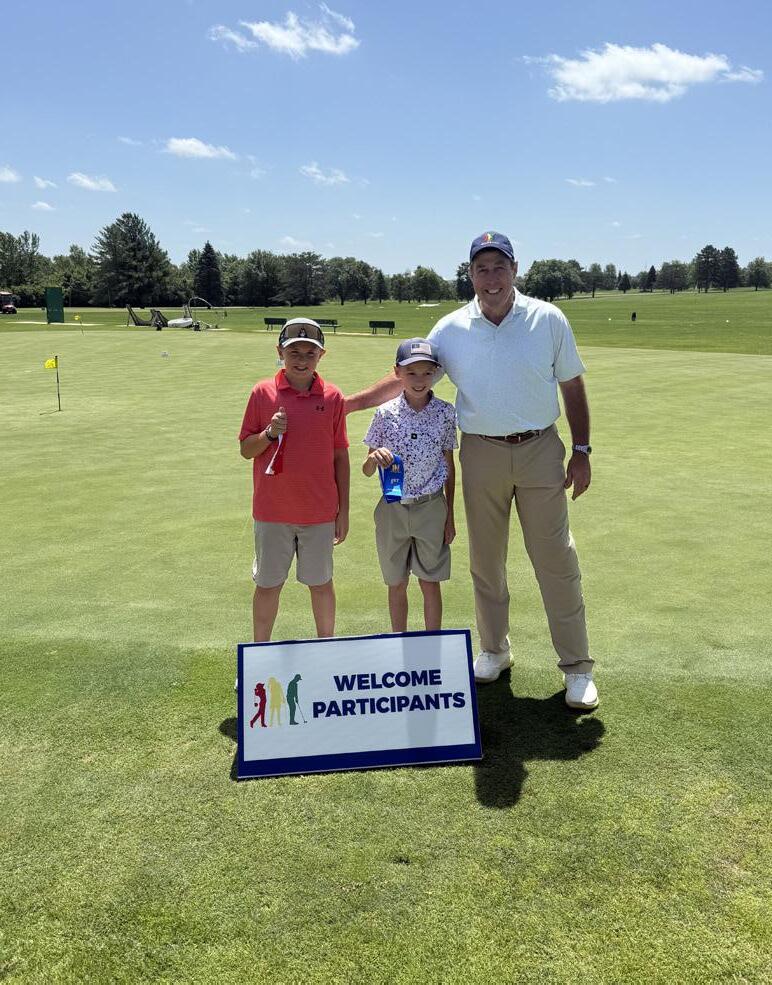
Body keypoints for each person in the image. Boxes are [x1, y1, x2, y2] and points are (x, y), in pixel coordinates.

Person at [346, 232, 598, 711]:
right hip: (480, 451)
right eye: (482, 269)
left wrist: (582, 449)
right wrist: (348, 404)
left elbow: (572, 384)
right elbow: (411, 376)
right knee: (486, 559)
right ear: (470, 275)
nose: (491, 277)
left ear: (515, 269)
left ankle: (577, 666)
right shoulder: (451, 329)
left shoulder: (547, 318)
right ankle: (495, 649)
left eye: (500, 267)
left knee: (555, 558)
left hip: (540, 448)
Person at [239, 318, 350, 644]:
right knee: (268, 585)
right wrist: (269, 433)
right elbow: (246, 450)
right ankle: (260, 653)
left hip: (319, 512)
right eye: (294, 352)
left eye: (310, 353)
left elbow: (340, 456)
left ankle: (325, 649)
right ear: (280, 352)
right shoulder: (262, 393)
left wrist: (343, 511)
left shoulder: (333, 397)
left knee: (321, 584)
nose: (302, 360)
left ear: (321, 355)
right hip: (272, 511)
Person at [362, 338, 457, 632]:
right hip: (392, 507)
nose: (419, 380)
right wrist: (374, 458)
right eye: (411, 372)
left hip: (431, 506)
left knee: (429, 582)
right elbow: (367, 469)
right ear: (397, 372)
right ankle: (398, 640)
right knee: (397, 582)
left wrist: (450, 516)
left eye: (427, 372)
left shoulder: (445, 413)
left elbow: (449, 465)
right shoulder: (385, 413)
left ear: (435, 373)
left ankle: (432, 641)